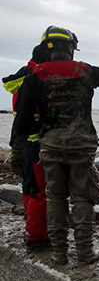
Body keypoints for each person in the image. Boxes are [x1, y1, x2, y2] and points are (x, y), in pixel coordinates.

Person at [11, 25, 99, 265]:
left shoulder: (34, 75)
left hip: (50, 146)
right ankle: (84, 253)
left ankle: (60, 254)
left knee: (55, 197)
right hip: (82, 146)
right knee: (82, 198)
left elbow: (23, 117)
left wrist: (17, 150)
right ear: (70, 47)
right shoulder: (84, 70)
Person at [3, 44, 50, 249]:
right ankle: (38, 237)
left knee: (29, 187)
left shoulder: (21, 77)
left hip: (20, 141)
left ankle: (31, 229)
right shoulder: (36, 77)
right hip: (34, 143)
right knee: (39, 189)